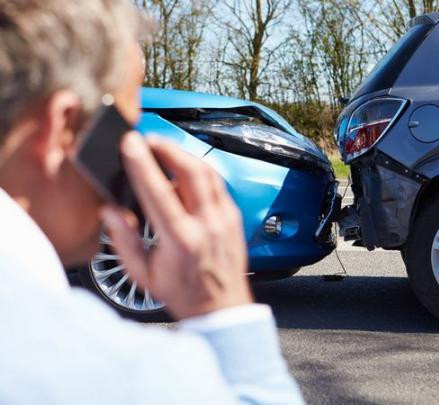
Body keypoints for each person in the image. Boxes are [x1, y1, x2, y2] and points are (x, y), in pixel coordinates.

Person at [0, 1, 303, 404]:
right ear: (63, 130)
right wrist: (222, 305)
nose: (128, 159)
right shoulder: (101, 369)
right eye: (121, 132)